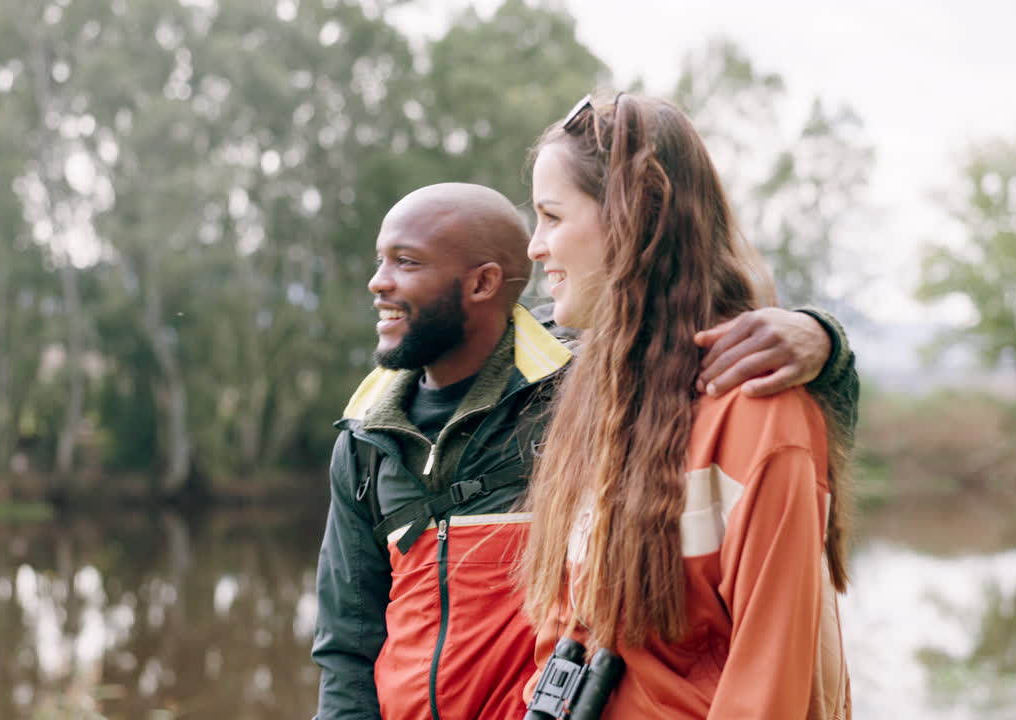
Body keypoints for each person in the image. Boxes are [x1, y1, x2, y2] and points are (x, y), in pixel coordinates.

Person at [312, 181, 856, 719]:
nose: (377, 283)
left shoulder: (584, 385)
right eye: (381, 260)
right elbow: (347, 644)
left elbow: (783, 425)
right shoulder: (364, 437)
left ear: (482, 283)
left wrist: (822, 339)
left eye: (405, 262)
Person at [521, 93, 852, 719]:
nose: (535, 247)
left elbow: (768, 687)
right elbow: (560, 636)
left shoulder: (760, 416)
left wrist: (826, 337)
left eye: (552, 217)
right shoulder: (593, 394)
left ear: (634, 220)